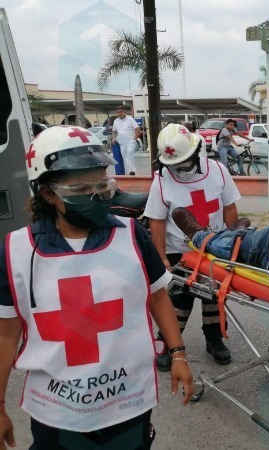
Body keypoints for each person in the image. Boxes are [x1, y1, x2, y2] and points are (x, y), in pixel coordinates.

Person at [0, 126, 193, 449]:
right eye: (80, 188)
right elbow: (6, 335)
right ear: (47, 194)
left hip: (128, 401)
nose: (95, 195)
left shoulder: (132, 235)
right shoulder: (16, 251)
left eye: (102, 185)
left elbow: (158, 296)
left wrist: (179, 355)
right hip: (56, 410)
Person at [145, 123, 247, 370]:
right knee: (178, 301)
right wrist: (162, 257)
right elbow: (156, 222)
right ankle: (169, 343)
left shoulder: (218, 171)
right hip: (179, 252)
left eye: (184, 163)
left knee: (214, 297)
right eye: (175, 165)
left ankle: (214, 339)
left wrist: (232, 246)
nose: (181, 169)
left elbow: (229, 208)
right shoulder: (162, 180)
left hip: (214, 248)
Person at [112, 106, 141, 175]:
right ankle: (131, 172)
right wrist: (114, 138)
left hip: (130, 141)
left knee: (130, 152)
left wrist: (134, 139)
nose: (119, 113)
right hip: (121, 142)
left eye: (121, 112)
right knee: (125, 157)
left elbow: (137, 129)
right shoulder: (116, 121)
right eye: (118, 112)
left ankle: (132, 170)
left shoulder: (130, 119)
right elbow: (114, 131)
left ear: (124, 112)